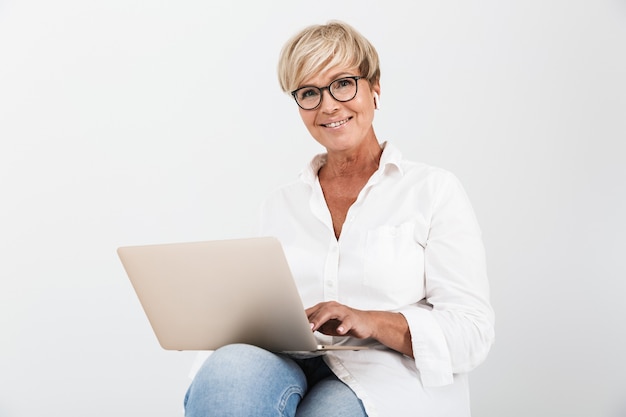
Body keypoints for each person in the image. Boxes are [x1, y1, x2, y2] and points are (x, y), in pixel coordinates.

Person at [184, 20, 494, 417]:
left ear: (374, 87)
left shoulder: (433, 191)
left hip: (385, 378)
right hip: (289, 361)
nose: (328, 105)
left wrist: (371, 321)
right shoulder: (280, 205)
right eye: (309, 93)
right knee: (227, 376)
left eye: (343, 83)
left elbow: (472, 333)